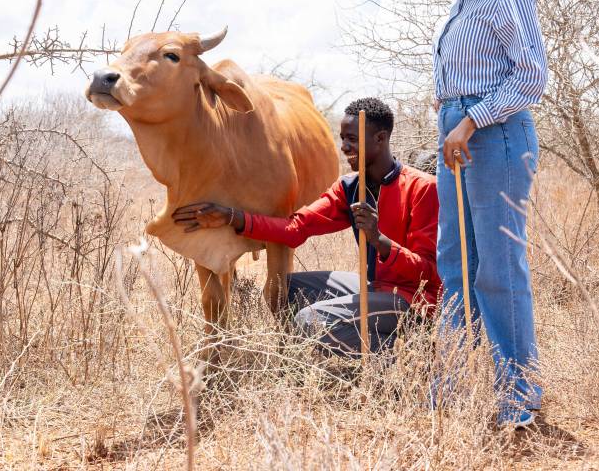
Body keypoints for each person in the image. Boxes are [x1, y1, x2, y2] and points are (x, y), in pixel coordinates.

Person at [172, 97, 441, 356]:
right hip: (374, 287)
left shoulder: (422, 188)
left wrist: (378, 239)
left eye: (352, 139)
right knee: (284, 287)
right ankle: (328, 352)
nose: (344, 147)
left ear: (380, 139)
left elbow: (428, 274)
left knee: (309, 321)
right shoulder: (349, 188)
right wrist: (231, 217)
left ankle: (402, 359)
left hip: (413, 301)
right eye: (342, 139)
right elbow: (295, 229)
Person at [417, 0, 548, 427]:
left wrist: (469, 120)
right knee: (454, 261)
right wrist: (449, 111)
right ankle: (454, 384)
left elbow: (532, 76)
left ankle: (519, 393)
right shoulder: (461, 0)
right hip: (459, 133)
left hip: (494, 137)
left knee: (497, 267)